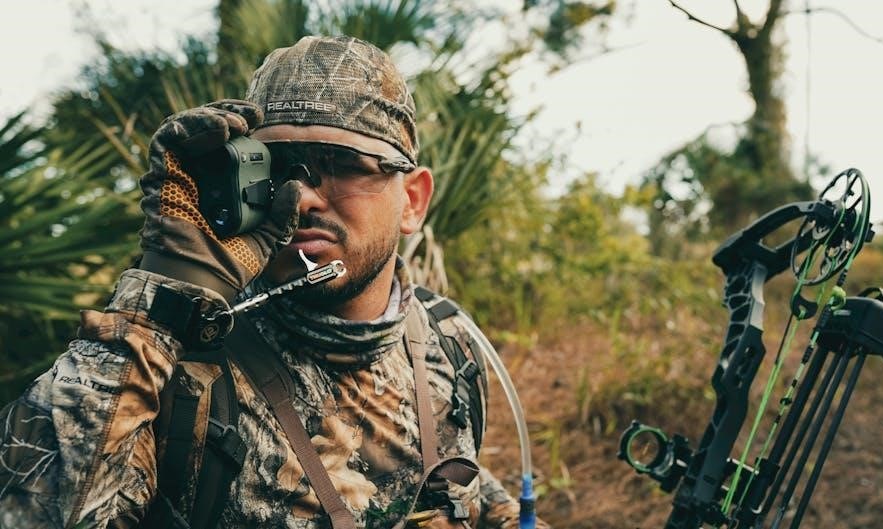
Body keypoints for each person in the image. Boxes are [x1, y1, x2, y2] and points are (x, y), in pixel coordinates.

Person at [0, 35, 548, 529]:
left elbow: (456, 478)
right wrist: (163, 296)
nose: (302, 196)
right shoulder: (177, 364)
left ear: (412, 201)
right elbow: (36, 508)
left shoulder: (449, 342)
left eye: (342, 163)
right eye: (277, 165)